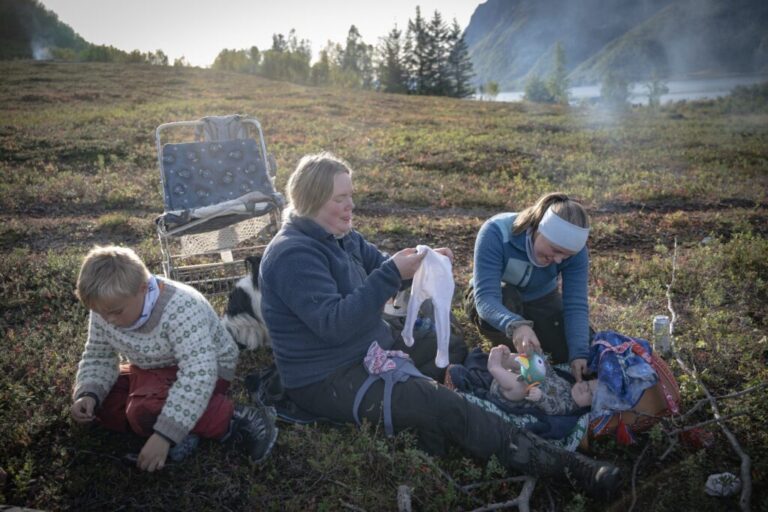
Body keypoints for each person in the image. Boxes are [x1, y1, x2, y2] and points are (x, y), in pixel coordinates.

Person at [259, 152, 621, 499]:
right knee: (442, 405)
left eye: (351, 195)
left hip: (369, 345)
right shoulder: (293, 254)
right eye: (341, 198)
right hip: (329, 376)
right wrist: (389, 274)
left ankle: (495, 402)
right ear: (313, 199)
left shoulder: (341, 237)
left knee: (455, 353)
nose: (350, 205)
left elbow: (383, 267)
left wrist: (425, 260)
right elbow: (334, 324)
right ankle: (570, 466)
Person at [70, 245, 277, 472]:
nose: (107, 320)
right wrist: (88, 393)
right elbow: (98, 354)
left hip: (208, 370)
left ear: (143, 288)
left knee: (142, 410)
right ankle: (186, 427)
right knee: (102, 401)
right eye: (100, 313)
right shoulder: (107, 306)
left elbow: (198, 373)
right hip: (151, 368)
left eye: (116, 312)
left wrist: (164, 435)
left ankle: (236, 420)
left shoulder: (181, 307)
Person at [465, 192, 592, 382]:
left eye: (566, 256)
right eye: (555, 250)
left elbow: (576, 304)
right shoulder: (496, 233)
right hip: (498, 300)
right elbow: (486, 299)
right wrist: (515, 326)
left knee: (578, 346)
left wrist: (579, 352)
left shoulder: (576, 253)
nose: (558, 260)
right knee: (507, 298)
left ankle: (540, 357)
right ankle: (509, 360)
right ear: (539, 229)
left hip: (541, 300)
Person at [487, 345, 597, 415]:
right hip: (520, 375)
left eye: (590, 394)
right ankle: (506, 360)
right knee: (532, 361)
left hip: (508, 396)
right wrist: (543, 362)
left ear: (589, 406)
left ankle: (495, 367)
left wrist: (540, 397)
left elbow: (553, 407)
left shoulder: (568, 405)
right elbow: (552, 375)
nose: (585, 388)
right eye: (587, 384)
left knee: (523, 388)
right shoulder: (567, 384)